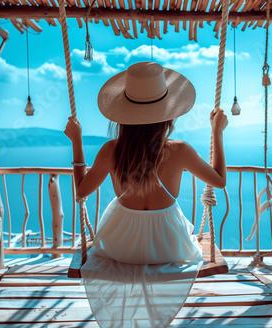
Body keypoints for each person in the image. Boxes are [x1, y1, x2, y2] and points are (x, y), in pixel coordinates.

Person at [64, 62, 228, 328]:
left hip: (119, 249)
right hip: (169, 249)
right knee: (188, 236)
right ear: (168, 115)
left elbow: (81, 191)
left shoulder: (110, 150)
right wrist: (217, 133)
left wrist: (77, 141)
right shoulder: (180, 150)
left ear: (124, 115)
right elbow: (219, 181)